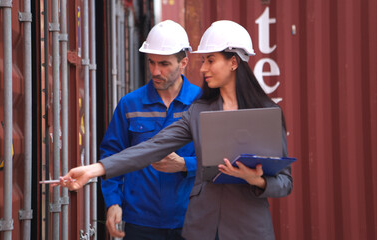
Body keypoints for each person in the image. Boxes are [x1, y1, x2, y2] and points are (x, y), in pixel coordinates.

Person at [60, 20, 293, 240]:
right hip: (200, 229)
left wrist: (258, 181)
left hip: (248, 229)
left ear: (233, 62)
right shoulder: (198, 110)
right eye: (203, 61)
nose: (203, 69)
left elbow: (285, 183)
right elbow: (152, 148)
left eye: (210, 60)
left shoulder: (266, 113)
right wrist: (94, 170)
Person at [99, 20, 201, 240]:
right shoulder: (130, 104)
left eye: (164, 64)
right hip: (140, 222)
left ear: (183, 62)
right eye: (151, 62)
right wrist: (113, 202)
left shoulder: (201, 104)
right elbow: (112, 154)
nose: (156, 71)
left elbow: (217, 159)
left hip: (192, 219)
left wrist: (184, 165)